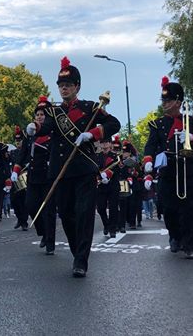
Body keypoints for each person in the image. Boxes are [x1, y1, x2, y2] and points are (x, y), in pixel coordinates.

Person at [27, 57, 120, 278]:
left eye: (67, 85)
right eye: (60, 86)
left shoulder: (90, 108)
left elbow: (113, 124)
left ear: (77, 86)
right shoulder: (54, 112)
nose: (63, 89)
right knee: (67, 215)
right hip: (61, 171)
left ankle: (81, 260)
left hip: (84, 170)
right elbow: (46, 127)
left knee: (84, 214)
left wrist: (92, 133)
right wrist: (34, 127)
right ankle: (76, 249)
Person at [143, 76, 193, 259]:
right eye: (163, 100)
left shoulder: (192, 122)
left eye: (168, 100)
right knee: (169, 209)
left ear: (178, 102)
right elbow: (150, 145)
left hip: (188, 170)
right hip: (168, 171)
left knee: (190, 211)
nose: (165, 103)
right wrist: (148, 160)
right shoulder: (157, 124)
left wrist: (192, 138)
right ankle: (174, 236)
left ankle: (189, 246)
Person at [23, 96, 57, 254]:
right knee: (31, 205)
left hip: (48, 176)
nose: (39, 117)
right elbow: (22, 154)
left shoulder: (54, 132)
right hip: (33, 175)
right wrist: (16, 171)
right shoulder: (31, 133)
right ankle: (43, 232)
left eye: (43, 114)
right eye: (37, 115)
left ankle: (50, 242)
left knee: (48, 210)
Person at [96, 137, 119, 238]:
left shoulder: (116, 156)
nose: (104, 144)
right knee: (101, 208)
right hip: (100, 185)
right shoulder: (97, 156)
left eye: (106, 142)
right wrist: (99, 177)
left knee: (113, 208)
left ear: (110, 144)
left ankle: (112, 229)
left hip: (113, 185)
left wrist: (108, 175)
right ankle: (106, 224)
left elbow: (118, 168)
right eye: (102, 142)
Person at [9, 126, 29, 231]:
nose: (18, 142)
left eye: (20, 140)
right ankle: (19, 219)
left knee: (24, 200)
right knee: (14, 200)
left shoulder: (27, 151)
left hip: (25, 177)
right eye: (16, 140)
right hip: (15, 178)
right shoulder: (12, 152)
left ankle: (24, 221)